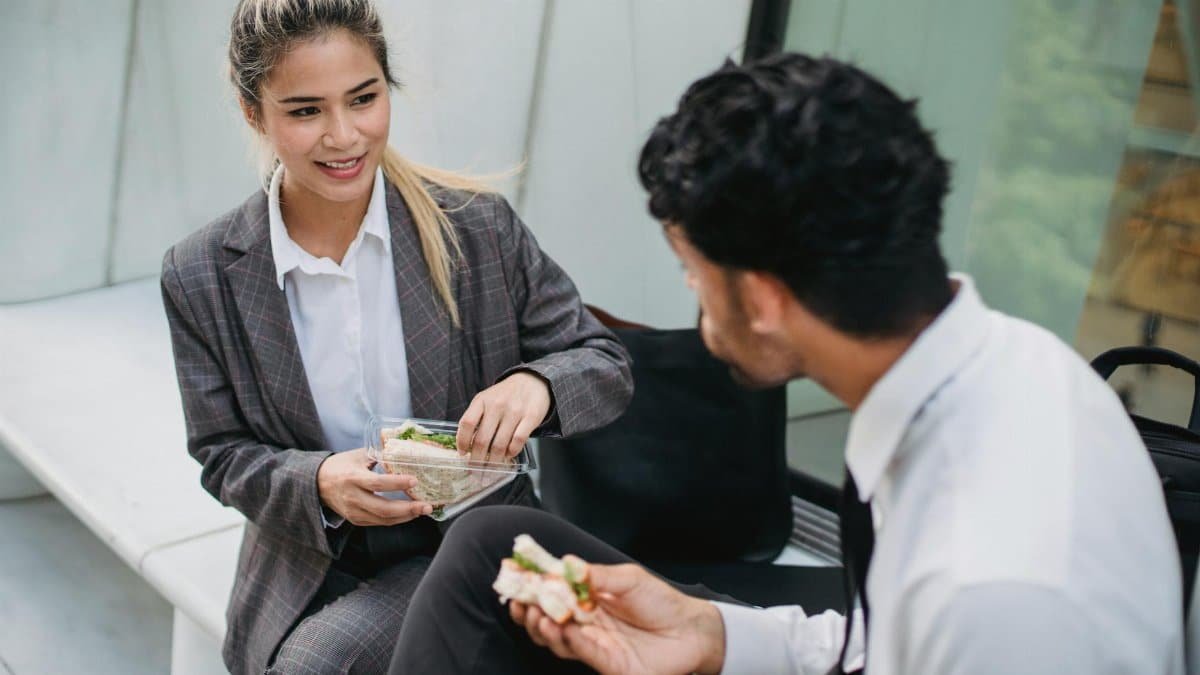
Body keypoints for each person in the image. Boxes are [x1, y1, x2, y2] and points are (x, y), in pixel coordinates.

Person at [387, 53, 1185, 674]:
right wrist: (711, 632)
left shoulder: (997, 595)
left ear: (763, 298)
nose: (694, 306)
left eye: (692, 272)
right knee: (494, 545)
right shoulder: (1020, 367)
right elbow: (881, 649)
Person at [159, 1, 632, 673]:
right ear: (252, 112)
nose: (344, 135)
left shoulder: (477, 230)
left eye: (363, 98)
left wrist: (536, 385)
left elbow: (605, 363)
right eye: (304, 110)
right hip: (313, 557)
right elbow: (222, 453)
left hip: (473, 538)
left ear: (388, 87)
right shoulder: (202, 272)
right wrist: (318, 479)